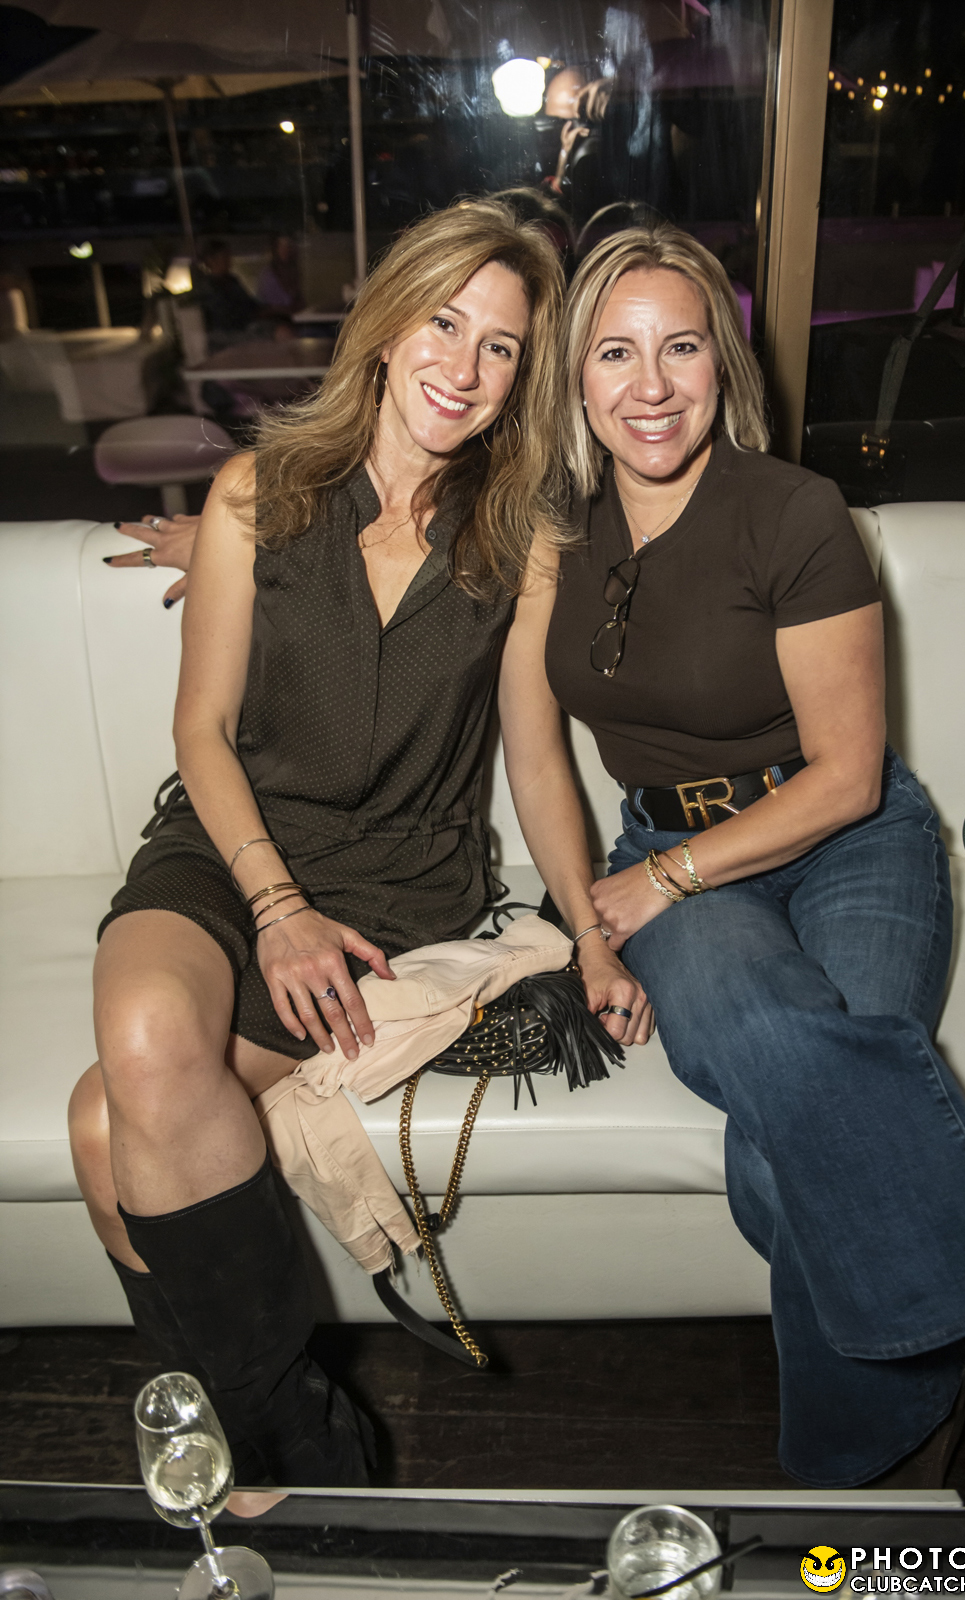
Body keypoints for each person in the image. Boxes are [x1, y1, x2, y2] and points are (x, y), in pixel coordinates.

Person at [70, 199, 650, 1490]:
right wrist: (275, 908)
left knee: (102, 1124)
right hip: (228, 848)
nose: (463, 365)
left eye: (500, 346)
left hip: (395, 885)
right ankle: (301, 1440)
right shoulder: (256, 492)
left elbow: (536, 760)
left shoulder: (519, 540)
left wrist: (592, 932)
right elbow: (201, 731)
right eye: (443, 323)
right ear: (385, 328)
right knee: (146, 1038)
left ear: (520, 378)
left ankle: (264, 1462)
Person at [539, 223, 965, 1485]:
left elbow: (845, 775)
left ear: (721, 364)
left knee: (796, 1138)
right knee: (784, 1050)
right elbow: (531, 750)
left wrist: (658, 883)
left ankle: (862, 1485)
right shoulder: (545, 533)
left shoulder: (792, 511)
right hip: (668, 840)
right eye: (614, 353)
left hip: (844, 837)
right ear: (574, 379)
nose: (649, 385)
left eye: (679, 348)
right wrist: (590, 920)